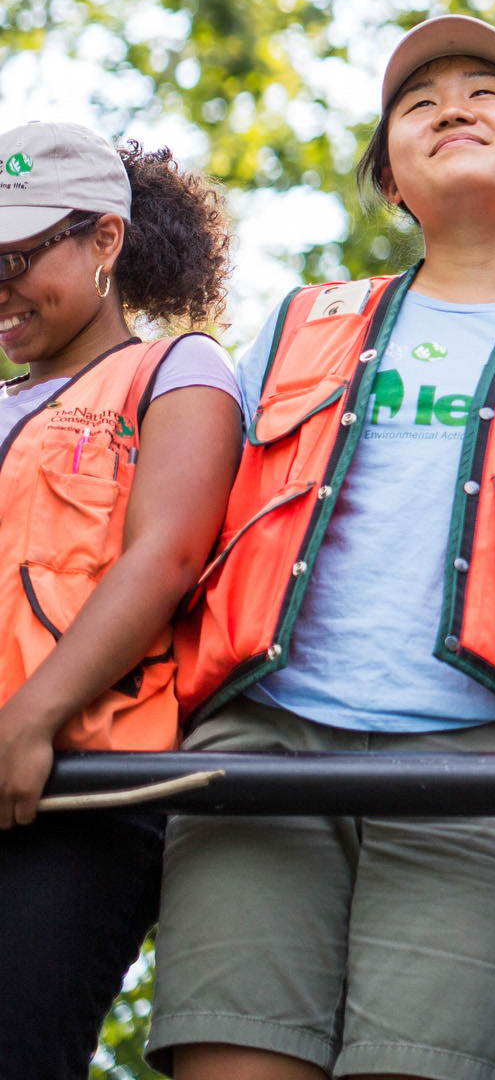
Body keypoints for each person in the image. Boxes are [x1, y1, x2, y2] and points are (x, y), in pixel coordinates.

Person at [156, 15, 495, 1080]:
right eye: (418, 103)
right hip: (260, 750)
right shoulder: (296, 322)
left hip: (487, 766)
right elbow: (181, 526)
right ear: (392, 180)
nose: (450, 107)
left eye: (485, 91)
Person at [0, 126, 243, 1080]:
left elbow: (166, 555)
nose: (0, 287)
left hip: (77, 789)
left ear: (105, 240)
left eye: (18, 258)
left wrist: (32, 718)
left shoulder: (178, 372)